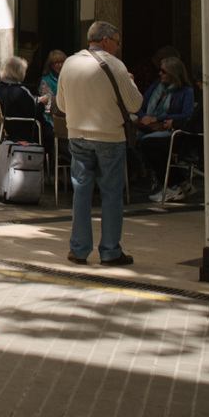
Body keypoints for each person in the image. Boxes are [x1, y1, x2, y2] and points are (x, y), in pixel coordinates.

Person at [57, 20, 142, 266]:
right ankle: (110, 250)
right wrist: (132, 81)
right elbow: (135, 104)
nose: (117, 47)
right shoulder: (116, 65)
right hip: (109, 137)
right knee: (111, 194)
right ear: (105, 41)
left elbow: (61, 105)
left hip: (77, 135)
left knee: (81, 193)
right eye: (116, 42)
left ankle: (79, 249)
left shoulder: (70, 63)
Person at [135, 57, 196, 201]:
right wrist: (144, 117)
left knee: (149, 145)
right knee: (137, 141)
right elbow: (140, 104)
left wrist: (160, 118)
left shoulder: (186, 91)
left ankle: (172, 184)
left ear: (173, 73)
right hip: (148, 126)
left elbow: (187, 114)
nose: (160, 74)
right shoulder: (156, 86)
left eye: (163, 72)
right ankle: (179, 182)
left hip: (172, 131)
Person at [0, 56, 52, 166]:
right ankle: (50, 168)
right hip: (27, 130)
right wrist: (41, 103)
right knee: (51, 133)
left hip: (10, 128)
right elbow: (34, 111)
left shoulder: (0, 88)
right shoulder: (20, 91)